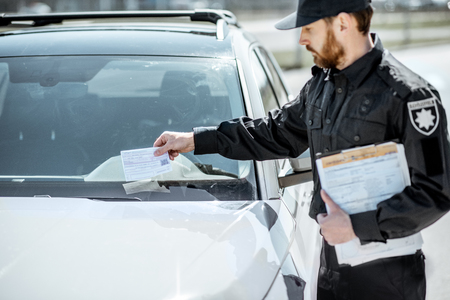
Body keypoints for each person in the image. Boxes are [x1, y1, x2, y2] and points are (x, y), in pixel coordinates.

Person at [153, 0, 450, 299]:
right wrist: (196, 140)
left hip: (388, 278)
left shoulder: (410, 96)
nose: (301, 39)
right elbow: (273, 132)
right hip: (330, 270)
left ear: (343, 23)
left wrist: (357, 226)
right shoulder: (320, 85)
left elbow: (436, 192)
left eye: (309, 27)